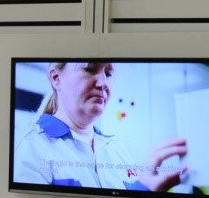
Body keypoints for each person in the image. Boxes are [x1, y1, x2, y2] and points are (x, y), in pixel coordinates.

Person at [12, 60, 189, 191]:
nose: (104, 83)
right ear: (56, 78)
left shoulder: (116, 148)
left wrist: (146, 190)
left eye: (108, 74)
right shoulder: (31, 148)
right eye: (89, 69)